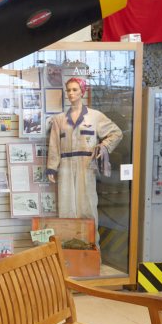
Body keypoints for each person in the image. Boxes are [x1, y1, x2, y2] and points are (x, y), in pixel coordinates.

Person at [46, 77, 122, 229]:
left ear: (82, 92)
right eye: (68, 90)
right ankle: (68, 240)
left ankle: (90, 241)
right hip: (65, 166)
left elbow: (116, 133)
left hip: (86, 165)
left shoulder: (95, 116)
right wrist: (52, 167)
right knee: (66, 205)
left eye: (75, 89)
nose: (71, 93)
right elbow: (54, 145)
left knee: (87, 205)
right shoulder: (59, 119)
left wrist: (104, 146)